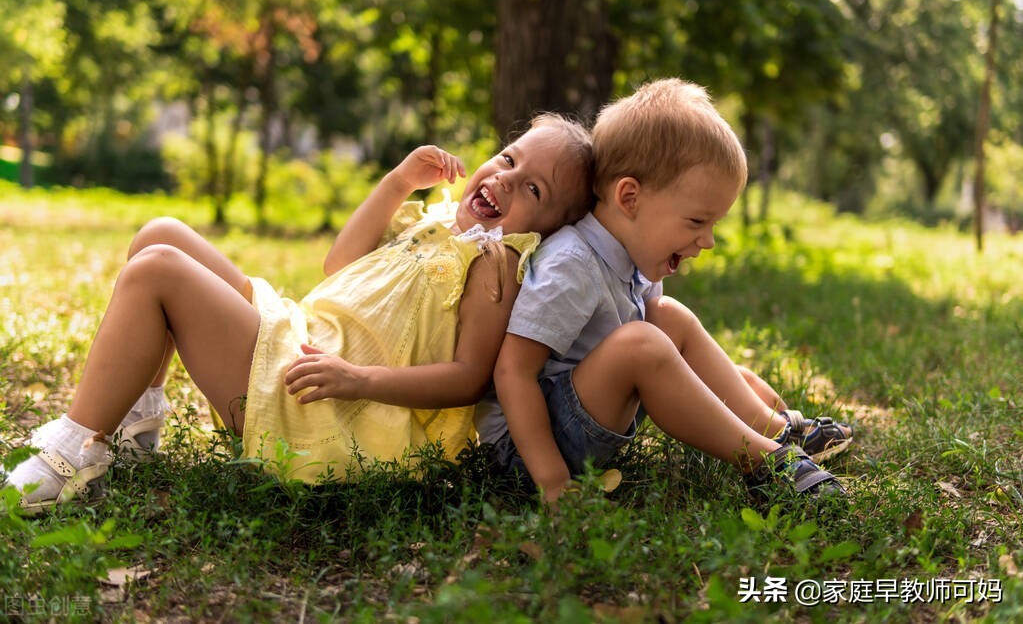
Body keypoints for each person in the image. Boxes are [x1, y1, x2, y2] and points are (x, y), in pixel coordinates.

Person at [4, 113, 595, 513]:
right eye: (509, 158)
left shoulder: (496, 266)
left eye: (535, 191)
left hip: (319, 399)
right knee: (161, 234)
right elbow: (338, 264)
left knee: (157, 269)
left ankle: (74, 453)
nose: (506, 180)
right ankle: (134, 430)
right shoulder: (441, 221)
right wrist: (396, 183)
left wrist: (358, 379)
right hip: (300, 337)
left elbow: (468, 378)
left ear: (548, 231)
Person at [485, 79, 851, 504]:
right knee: (641, 343)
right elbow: (513, 372)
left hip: (576, 417)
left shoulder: (635, 254)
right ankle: (766, 463)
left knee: (667, 316)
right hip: (526, 449)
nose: (708, 240)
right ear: (630, 198)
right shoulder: (572, 263)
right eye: (697, 222)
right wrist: (551, 481)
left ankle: (776, 430)